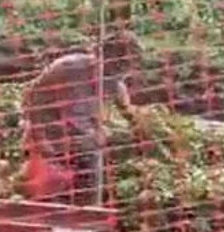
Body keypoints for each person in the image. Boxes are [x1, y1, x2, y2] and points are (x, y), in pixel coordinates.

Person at [17, 31, 143, 206]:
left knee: (89, 186)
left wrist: (141, 124)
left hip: (84, 143)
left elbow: (127, 109)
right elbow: (33, 101)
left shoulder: (114, 82)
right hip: (51, 136)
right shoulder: (68, 68)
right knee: (45, 194)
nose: (122, 70)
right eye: (119, 64)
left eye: (128, 66)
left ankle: (88, 217)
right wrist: (41, 140)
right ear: (102, 55)